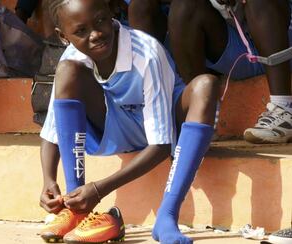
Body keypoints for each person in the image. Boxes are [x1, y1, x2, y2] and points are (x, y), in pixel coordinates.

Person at [38, 0, 220, 243]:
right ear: (64, 36)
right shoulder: (71, 58)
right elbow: (52, 132)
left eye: (100, 20)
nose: (95, 34)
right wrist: (49, 180)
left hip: (165, 127)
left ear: (112, 12)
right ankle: (76, 208)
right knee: (67, 71)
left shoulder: (146, 51)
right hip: (115, 127)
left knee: (206, 85)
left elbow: (161, 144)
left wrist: (99, 189)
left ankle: (167, 216)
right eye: (81, 31)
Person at [168, 0, 292, 144]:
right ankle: (201, 117)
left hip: (284, 41)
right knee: (184, 6)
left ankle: (284, 108)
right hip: (241, 49)